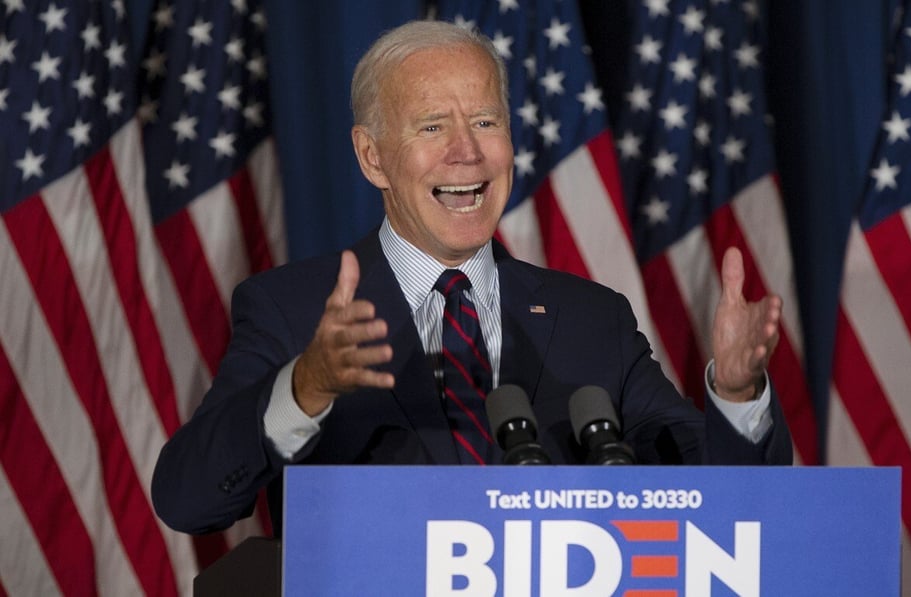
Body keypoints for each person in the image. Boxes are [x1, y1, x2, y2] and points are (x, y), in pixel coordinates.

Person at [152, 20, 792, 537]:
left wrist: (737, 394)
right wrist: (307, 386)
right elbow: (187, 499)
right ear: (372, 156)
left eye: (486, 122)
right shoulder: (292, 309)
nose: (468, 151)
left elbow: (717, 502)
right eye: (433, 127)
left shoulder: (592, 319)